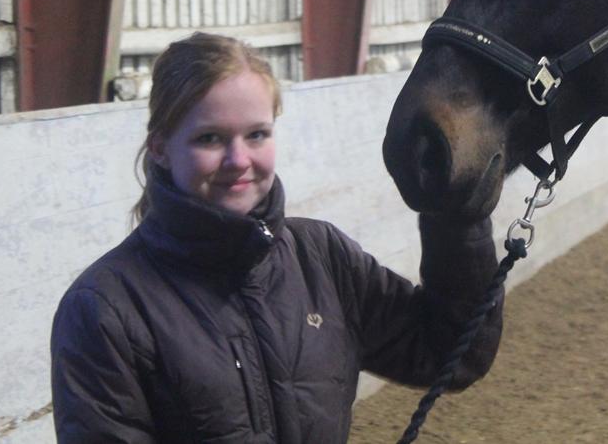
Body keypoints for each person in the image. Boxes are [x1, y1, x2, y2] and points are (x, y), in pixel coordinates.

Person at [50, 32, 503, 442]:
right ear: (161, 148)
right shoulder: (105, 309)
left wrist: (457, 219)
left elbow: (448, 352)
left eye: (257, 134)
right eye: (209, 138)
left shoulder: (322, 257)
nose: (238, 159)